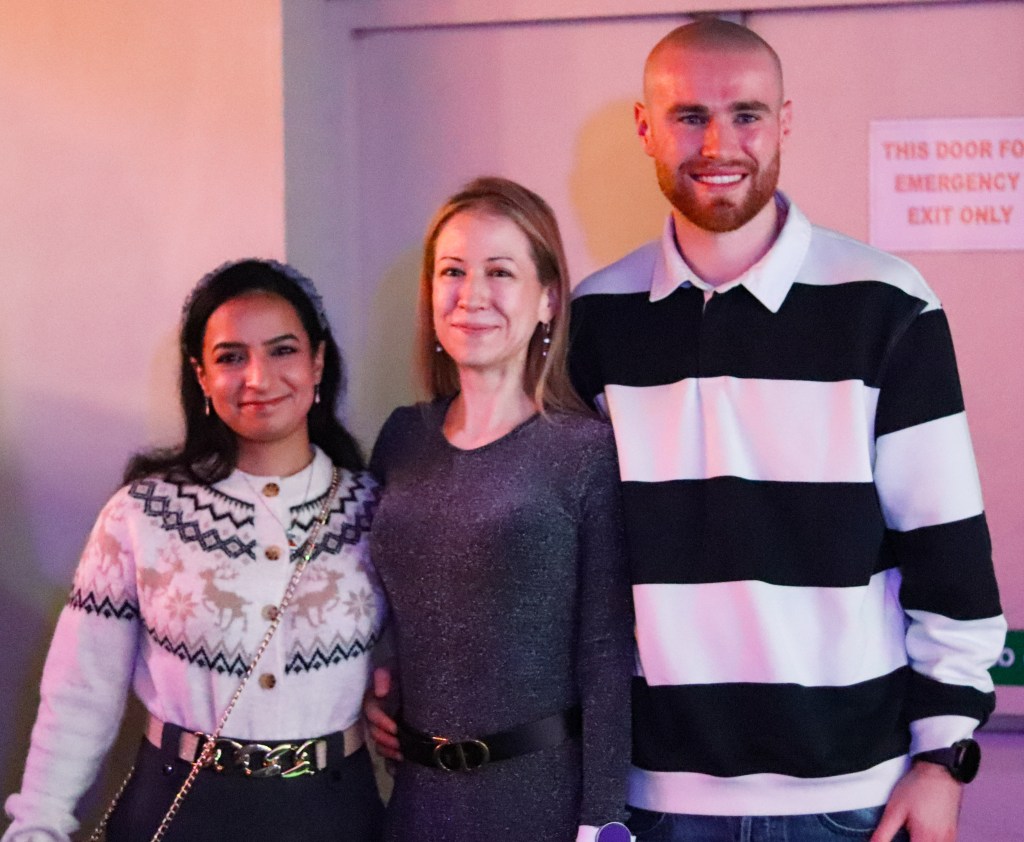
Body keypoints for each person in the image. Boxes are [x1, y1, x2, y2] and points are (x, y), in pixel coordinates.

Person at [567, 17, 1006, 842]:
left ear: (784, 122)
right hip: (651, 799)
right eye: (689, 116)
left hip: (851, 799)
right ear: (645, 128)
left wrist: (944, 756)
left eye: (747, 114)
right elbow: (561, 565)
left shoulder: (888, 305)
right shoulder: (593, 319)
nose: (719, 144)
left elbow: (948, 553)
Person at [3, 259, 386, 841]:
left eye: (283, 350)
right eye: (231, 357)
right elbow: (80, 694)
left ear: (318, 362)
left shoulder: (379, 511)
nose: (258, 377)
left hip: (336, 814)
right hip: (180, 811)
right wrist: (38, 825)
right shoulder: (141, 515)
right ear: (201, 376)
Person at [366, 176, 633, 842]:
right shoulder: (401, 437)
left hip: (540, 805)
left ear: (548, 300)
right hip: (416, 803)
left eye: (500, 272)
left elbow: (605, 656)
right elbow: (375, 595)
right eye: (452, 271)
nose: (472, 295)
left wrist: (603, 821)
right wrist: (379, 675)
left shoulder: (584, 452)